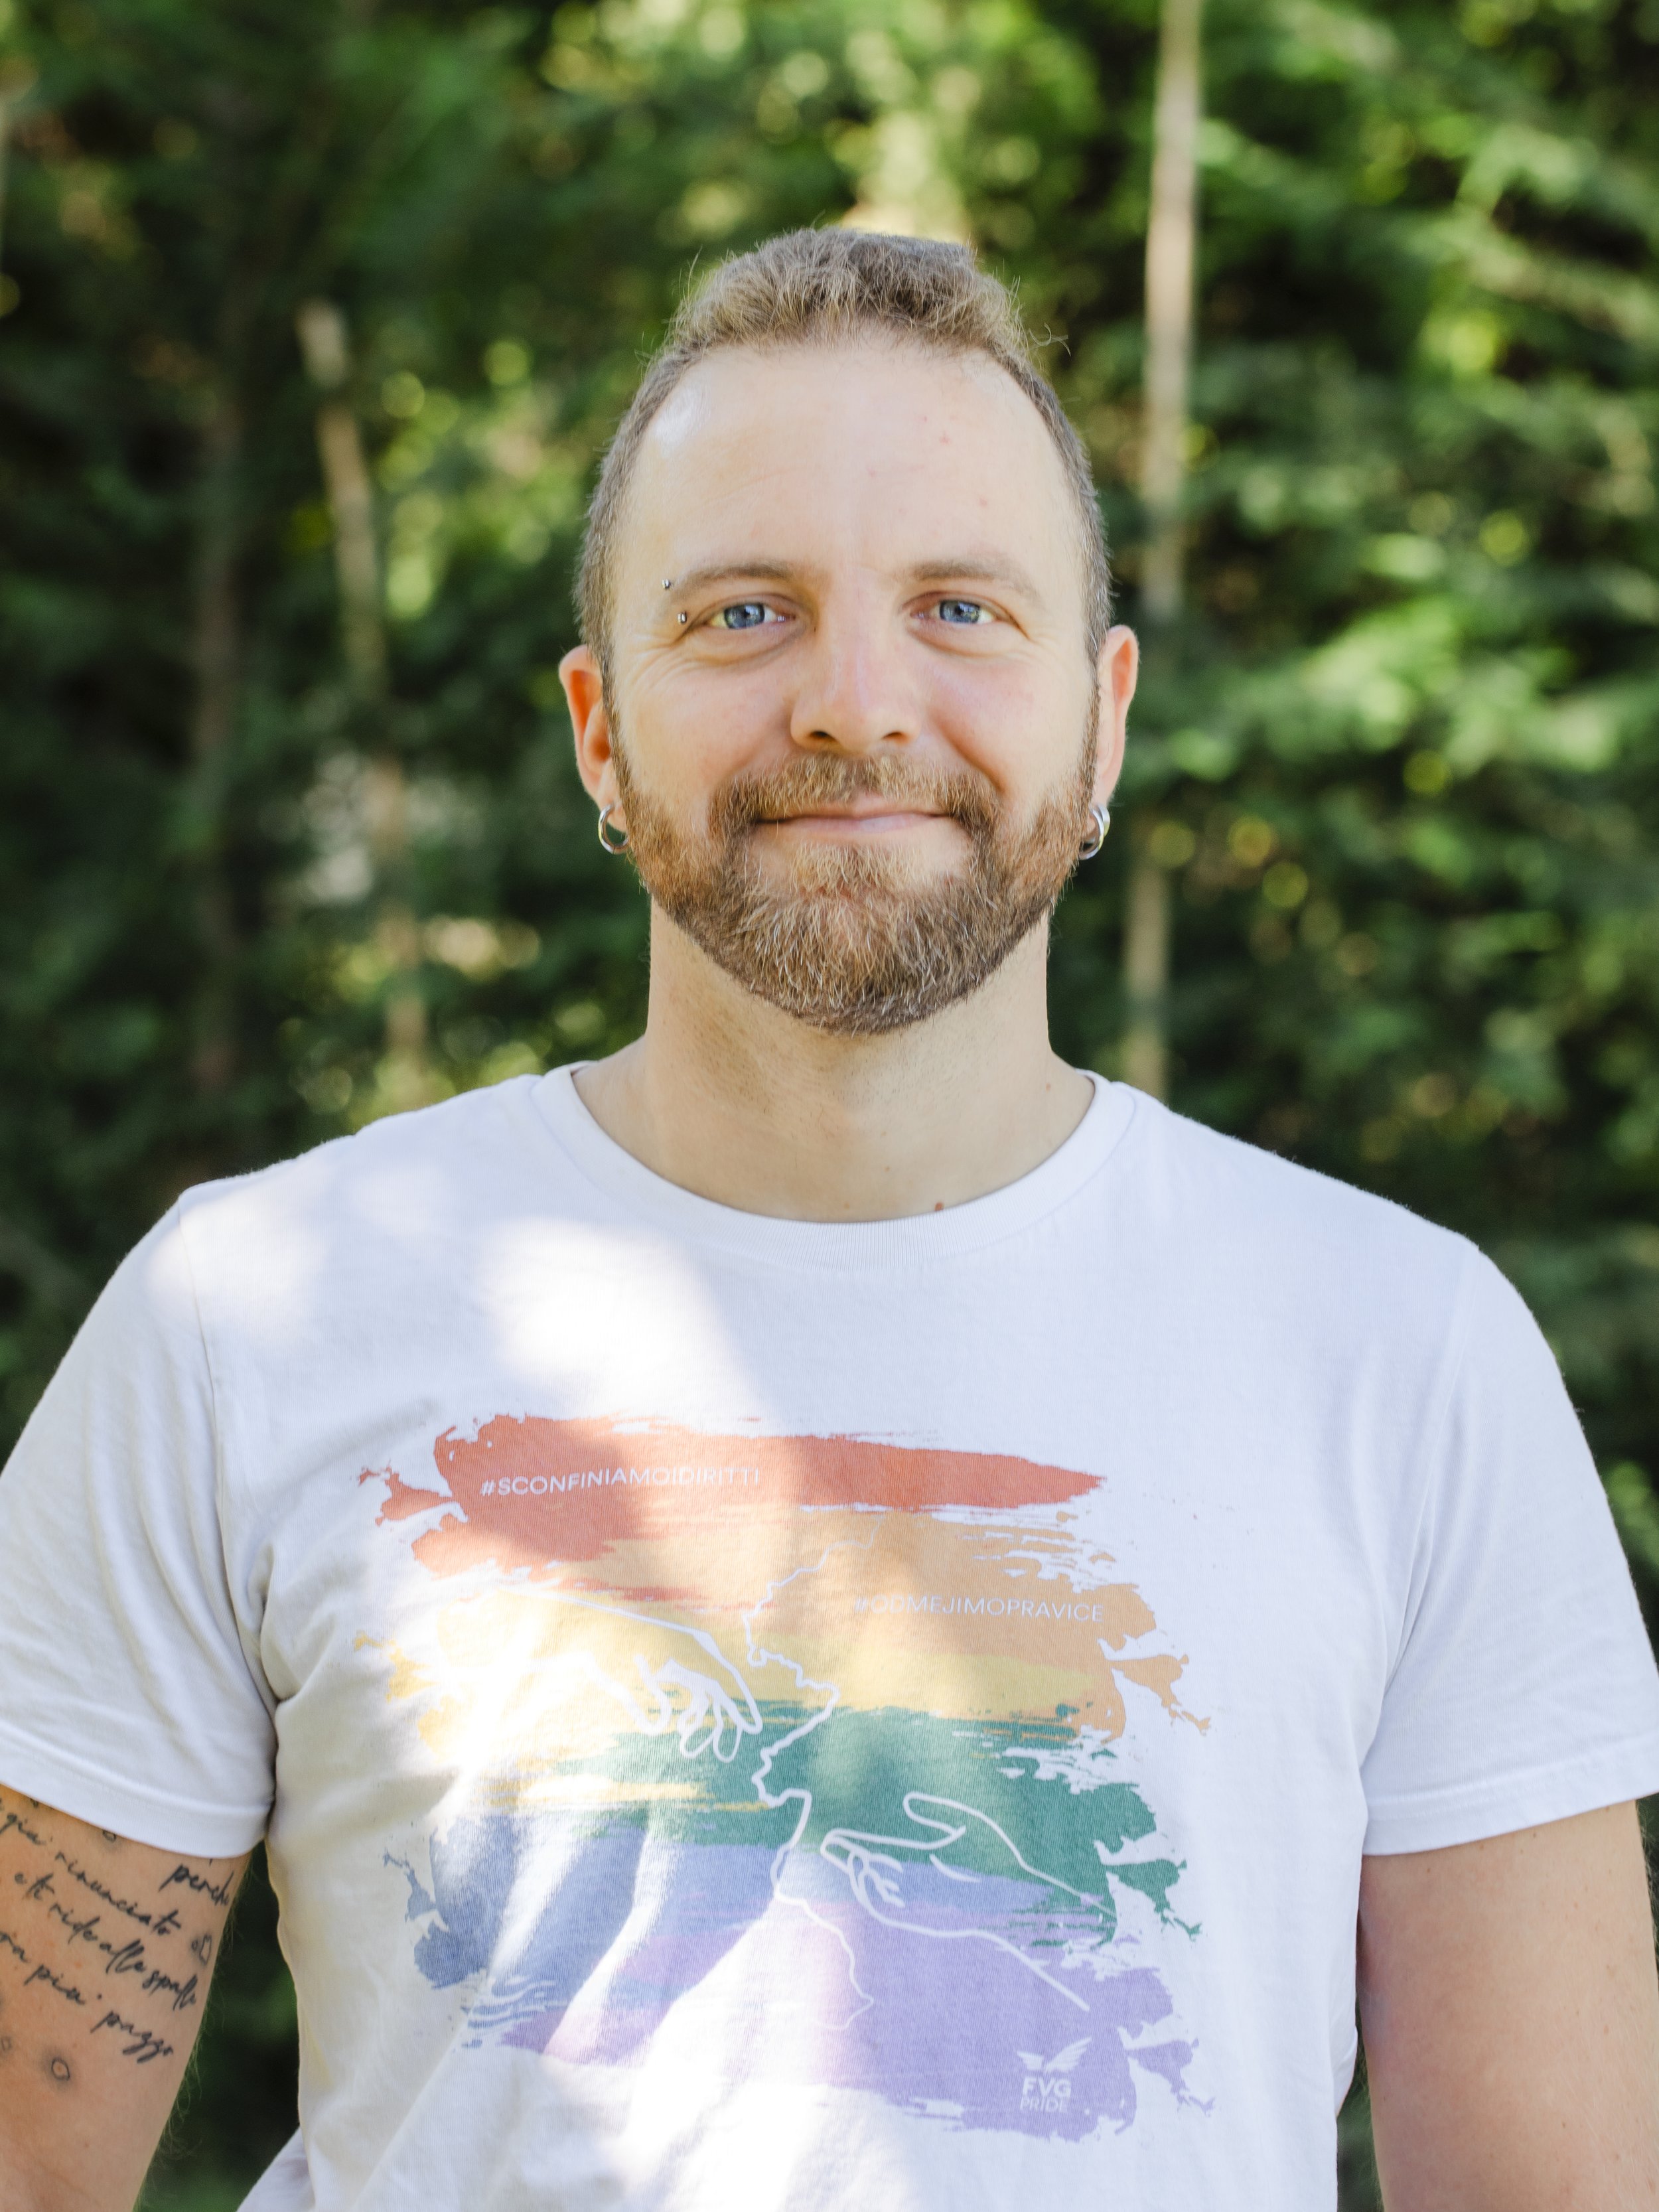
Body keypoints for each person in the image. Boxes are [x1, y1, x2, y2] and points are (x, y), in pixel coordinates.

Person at [0, 227, 1656, 2212]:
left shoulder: (1406, 1353)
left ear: (1103, 716)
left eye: (959, 608)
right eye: (740, 615)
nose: (852, 706)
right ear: (599, 728)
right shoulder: (244, 1316)